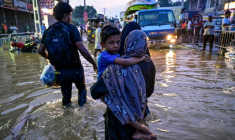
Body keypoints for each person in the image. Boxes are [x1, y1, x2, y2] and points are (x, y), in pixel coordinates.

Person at [91, 22, 156, 140]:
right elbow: (149, 92)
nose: (116, 45)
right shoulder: (150, 64)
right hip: (140, 111)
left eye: (118, 42)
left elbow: (95, 92)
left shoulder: (117, 68)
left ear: (126, 40)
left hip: (118, 118)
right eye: (112, 42)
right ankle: (142, 131)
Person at [38, 2, 97, 107]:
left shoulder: (48, 31)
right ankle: (83, 114)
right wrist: (93, 63)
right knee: (82, 90)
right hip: (75, 69)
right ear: (65, 15)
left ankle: (66, 114)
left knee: (66, 96)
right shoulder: (71, 29)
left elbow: (40, 50)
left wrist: (50, 58)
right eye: (70, 15)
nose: (70, 17)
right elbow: (82, 50)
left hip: (60, 71)